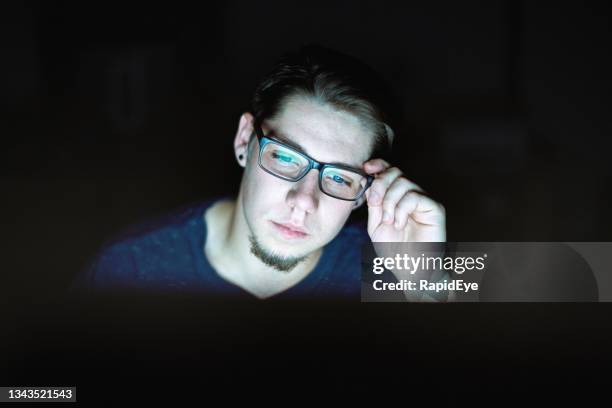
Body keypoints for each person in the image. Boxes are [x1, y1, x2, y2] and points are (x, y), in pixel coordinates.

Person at [70, 44, 446, 300]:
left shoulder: (392, 269)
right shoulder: (130, 267)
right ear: (244, 139)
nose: (303, 202)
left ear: (364, 192)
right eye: (285, 158)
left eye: (339, 177)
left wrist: (429, 282)